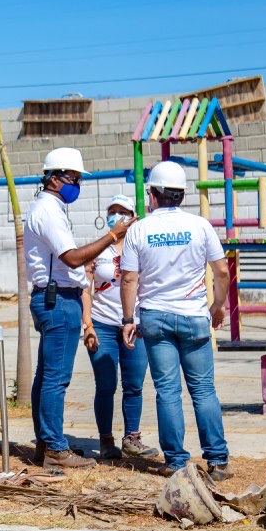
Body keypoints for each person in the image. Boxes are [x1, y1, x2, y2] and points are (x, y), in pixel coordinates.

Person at [24, 147, 135, 472]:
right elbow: (72, 258)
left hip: (55, 297)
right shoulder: (49, 211)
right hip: (58, 300)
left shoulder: (50, 207)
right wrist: (113, 235)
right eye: (74, 178)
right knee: (56, 378)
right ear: (55, 178)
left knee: (47, 376)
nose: (77, 185)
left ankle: (46, 443)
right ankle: (56, 448)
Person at [119, 160, 232, 481]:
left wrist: (128, 319)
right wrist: (218, 306)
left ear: (152, 194)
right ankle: (218, 460)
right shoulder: (200, 226)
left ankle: (176, 461)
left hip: (155, 319)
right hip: (195, 316)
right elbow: (222, 271)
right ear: (182, 194)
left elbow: (129, 279)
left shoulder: (139, 229)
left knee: (168, 391)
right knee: (204, 391)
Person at [87, 193, 159, 461]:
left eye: (122, 211)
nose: (116, 216)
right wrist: (87, 324)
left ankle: (132, 438)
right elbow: (86, 288)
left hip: (136, 324)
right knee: (105, 384)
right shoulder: (99, 249)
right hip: (103, 324)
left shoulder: (140, 245)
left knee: (134, 384)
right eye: (112, 210)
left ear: (132, 217)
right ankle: (106, 440)